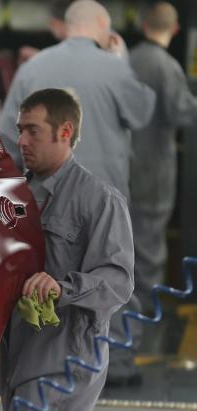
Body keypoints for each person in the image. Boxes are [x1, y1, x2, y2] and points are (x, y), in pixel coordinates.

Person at [0, 88, 134, 411]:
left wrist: (64, 287)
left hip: (67, 354)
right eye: (20, 129)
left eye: (32, 131)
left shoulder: (99, 199)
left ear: (64, 131)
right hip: (23, 355)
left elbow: (117, 280)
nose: (21, 140)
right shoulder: (15, 197)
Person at [0, 0, 155, 201]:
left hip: (45, 196)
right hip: (103, 199)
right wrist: (121, 60)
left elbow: (9, 139)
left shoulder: (30, 69)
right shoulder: (115, 69)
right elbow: (141, 114)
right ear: (101, 22)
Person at [128, 3, 197, 309]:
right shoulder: (167, 66)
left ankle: (123, 310)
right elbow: (182, 113)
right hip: (154, 172)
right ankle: (146, 315)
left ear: (143, 25)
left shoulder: (126, 61)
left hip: (124, 168)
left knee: (124, 242)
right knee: (150, 246)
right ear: (176, 29)